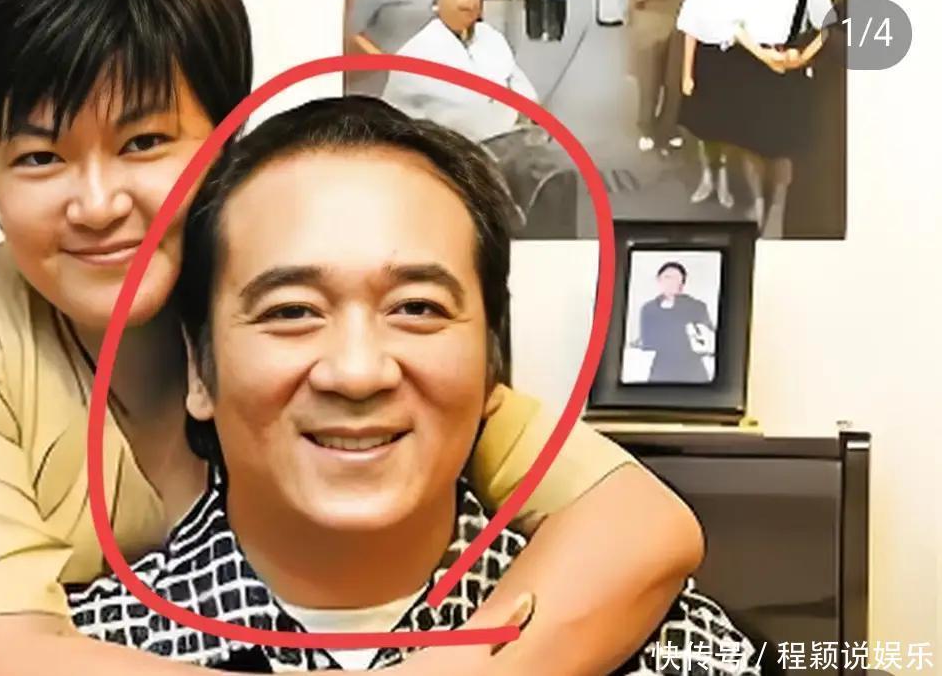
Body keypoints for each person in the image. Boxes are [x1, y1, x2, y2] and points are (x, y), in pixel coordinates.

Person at [0, 0, 706, 675]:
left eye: (144, 142)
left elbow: (638, 526)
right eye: (39, 158)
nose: (96, 205)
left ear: (229, 142)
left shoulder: (299, 326)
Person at [67, 95, 760, 674]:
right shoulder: (76, 650)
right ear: (198, 367)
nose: (357, 371)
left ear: (492, 362)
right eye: (292, 312)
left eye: (417, 308)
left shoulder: (671, 649)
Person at [722, 0, 836, 237]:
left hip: (790, 68)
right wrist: (762, 55)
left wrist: (802, 58)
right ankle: (757, 202)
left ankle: (777, 208)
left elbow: (828, 27)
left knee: (785, 145)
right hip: (751, 66)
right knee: (750, 141)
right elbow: (731, 26)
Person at [381, 0, 538, 143]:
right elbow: (466, 117)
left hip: (506, 139)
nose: (466, 3)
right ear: (438, 2)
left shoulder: (491, 37)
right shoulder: (417, 53)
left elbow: (521, 87)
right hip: (443, 147)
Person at [677, 0, 741, 209]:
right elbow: (690, 36)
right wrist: (686, 74)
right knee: (704, 126)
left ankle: (723, 179)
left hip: (736, 62)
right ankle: (707, 177)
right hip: (706, 62)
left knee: (728, 125)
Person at [626, 0, 693, 153]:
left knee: (675, 78)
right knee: (649, 77)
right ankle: (646, 126)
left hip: (682, 14)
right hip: (651, 15)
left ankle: (668, 127)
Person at [636, 262, 715, 383]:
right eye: (667, 277)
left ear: (682, 283)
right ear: (658, 280)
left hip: (692, 369)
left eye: (676, 278)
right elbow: (647, 342)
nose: (671, 282)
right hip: (662, 369)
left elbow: (707, 337)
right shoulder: (649, 308)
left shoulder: (696, 306)